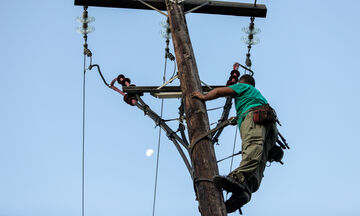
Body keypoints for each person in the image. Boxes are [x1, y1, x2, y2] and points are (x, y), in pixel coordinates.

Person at [192, 74, 278, 213]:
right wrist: (235, 119)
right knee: (261, 156)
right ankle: (245, 190)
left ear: (241, 82)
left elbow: (220, 91)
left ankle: (237, 178)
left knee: (252, 146)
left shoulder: (243, 87)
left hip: (255, 117)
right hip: (270, 125)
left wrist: (204, 97)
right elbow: (249, 106)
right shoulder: (256, 95)